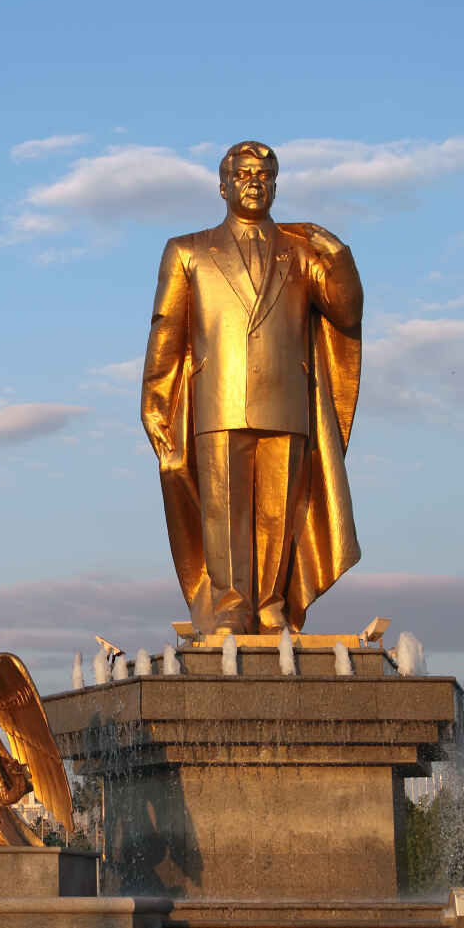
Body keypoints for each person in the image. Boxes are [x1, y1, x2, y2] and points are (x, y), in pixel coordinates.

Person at [142, 140, 365, 635]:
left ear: (276, 186)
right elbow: (166, 327)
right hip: (216, 399)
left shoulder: (299, 252)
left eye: (264, 176)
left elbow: (344, 313)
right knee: (223, 509)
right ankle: (229, 604)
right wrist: (155, 399)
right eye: (243, 174)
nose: (253, 183)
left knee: (279, 512)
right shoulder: (188, 251)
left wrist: (340, 258)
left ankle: (270, 604)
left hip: (287, 400)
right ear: (222, 186)